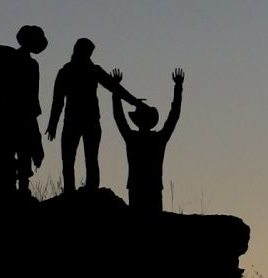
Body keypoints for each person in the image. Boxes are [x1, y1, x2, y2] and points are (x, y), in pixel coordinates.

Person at [46, 38, 148, 193]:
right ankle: (70, 191)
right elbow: (58, 100)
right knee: (70, 160)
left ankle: (89, 189)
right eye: (88, 52)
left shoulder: (89, 70)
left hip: (89, 121)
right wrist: (52, 124)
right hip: (75, 121)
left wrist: (135, 102)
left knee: (89, 159)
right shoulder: (68, 71)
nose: (89, 56)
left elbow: (114, 87)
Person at [0, 12, 46, 192]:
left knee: (15, 154)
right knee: (11, 154)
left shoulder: (28, 63)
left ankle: (16, 190)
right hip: (14, 113)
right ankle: (13, 190)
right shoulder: (16, 58)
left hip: (15, 113)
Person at [112, 68, 183, 211]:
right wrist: (178, 87)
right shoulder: (158, 139)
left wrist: (116, 89)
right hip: (153, 188)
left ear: (138, 121)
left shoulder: (132, 138)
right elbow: (173, 117)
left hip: (137, 188)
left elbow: (119, 117)